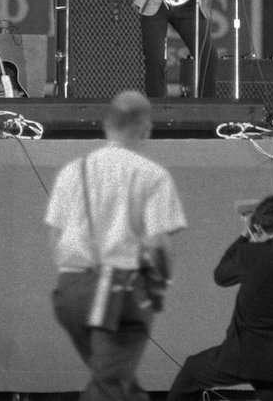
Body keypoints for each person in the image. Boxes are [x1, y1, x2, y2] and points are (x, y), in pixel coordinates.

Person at [45, 90, 187, 401]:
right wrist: (162, 283)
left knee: (117, 381)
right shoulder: (152, 176)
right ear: (146, 128)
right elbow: (158, 245)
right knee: (110, 387)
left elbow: (55, 241)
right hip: (121, 293)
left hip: (71, 294)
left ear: (106, 125)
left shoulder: (71, 172)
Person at [166, 194, 273, 401]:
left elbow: (221, 276)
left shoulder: (249, 254)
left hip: (244, 356)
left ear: (258, 228)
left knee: (191, 373)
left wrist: (245, 234)